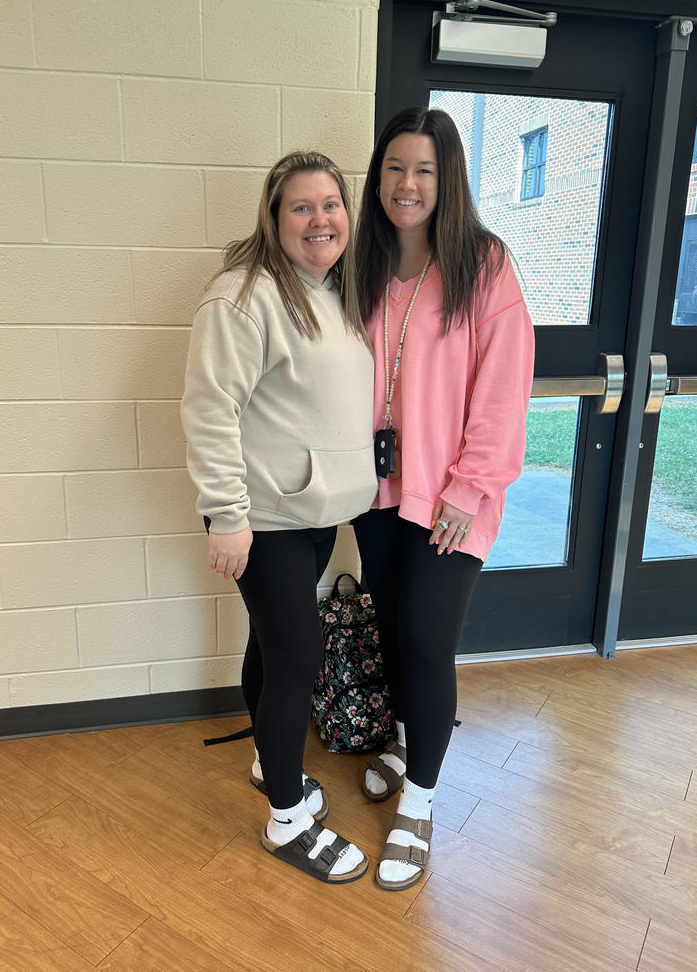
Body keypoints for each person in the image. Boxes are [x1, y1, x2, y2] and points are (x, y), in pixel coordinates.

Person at [181, 151, 377, 884]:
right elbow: (209, 409)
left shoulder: (331, 291)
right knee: (300, 656)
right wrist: (225, 515)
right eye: (301, 206)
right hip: (262, 520)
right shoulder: (244, 296)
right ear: (274, 218)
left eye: (331, 204)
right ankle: (288, 823)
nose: (319, 219)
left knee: (274, 648)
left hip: (312, 514)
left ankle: (272, 765)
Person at [352, 108, 534, 890]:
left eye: (424, 169)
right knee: (391, 624)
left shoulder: (483, 264)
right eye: (395, 167)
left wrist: (469, 485)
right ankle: (400, 738)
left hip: (454, 494)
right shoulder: (361, 262)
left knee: (427, 639)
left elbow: (503, 386)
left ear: (447, 178)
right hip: (375, 489)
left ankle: (420, 805)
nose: (407, 183)